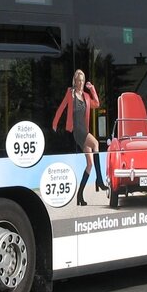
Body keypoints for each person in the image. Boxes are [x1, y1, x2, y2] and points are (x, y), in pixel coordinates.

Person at [52, 69, 106, 205]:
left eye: (82, 80)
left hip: (84, 130)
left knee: (89, 165)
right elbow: (62, 108)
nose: (81, 83)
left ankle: (80, 197)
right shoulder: (70, 94)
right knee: (96, 144)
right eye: (78, 80)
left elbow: (97, 104)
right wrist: (55, 123)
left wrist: (92, 89)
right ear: (74, 81)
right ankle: (99, 180)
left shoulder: (87, 97)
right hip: (78, 130)